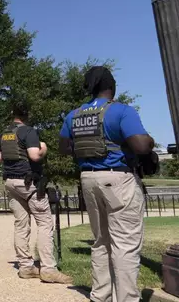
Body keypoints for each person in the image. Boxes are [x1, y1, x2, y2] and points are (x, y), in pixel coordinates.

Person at [59, 66, 154, 302]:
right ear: (111, 86)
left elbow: (64, 148)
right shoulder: (121, 111)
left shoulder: (74, 115)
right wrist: (150, 140)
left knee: (101, 241)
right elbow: (142, 146)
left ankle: (100, 295)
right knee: (125, 244)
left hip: (88, 179)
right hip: (118, 179)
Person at [0, 101, 72, 284]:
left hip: (10, 183)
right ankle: (48, 269)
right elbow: (34, 155)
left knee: (21, 225)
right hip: (28, 183)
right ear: (27, 115)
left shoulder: (4, 134)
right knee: (45, 223)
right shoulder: (29, 132)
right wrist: (43, 148)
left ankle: (25, 267)